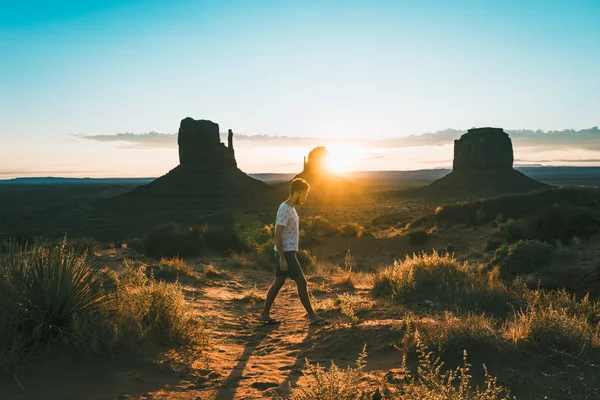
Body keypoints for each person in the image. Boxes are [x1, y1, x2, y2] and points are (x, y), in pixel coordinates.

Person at [260, 178, 327, 325]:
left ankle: (265, 314)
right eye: (304, 194)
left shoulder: (290, 208)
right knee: (302, 283)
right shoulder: (285, 210)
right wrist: (283, 258)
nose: (305, 198)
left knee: (278, 282)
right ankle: (313, 316)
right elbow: (277, 234)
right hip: (287, 253)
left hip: (287, 252)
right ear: (296, 193)